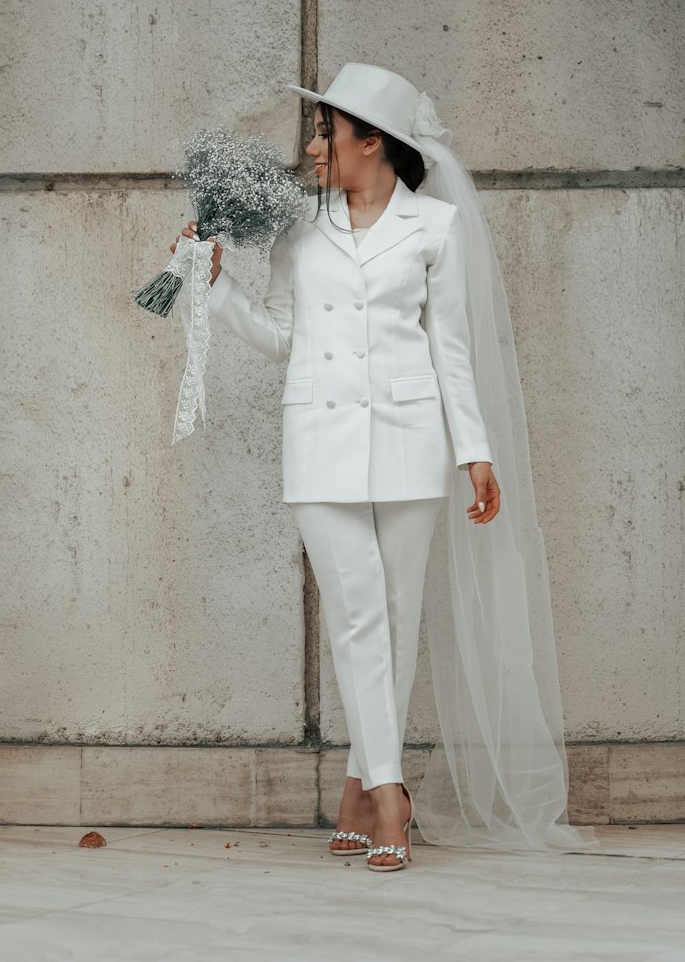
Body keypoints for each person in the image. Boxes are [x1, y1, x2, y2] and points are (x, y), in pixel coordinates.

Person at [170, 64, 598, 868]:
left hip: (410, 442)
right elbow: (283, 336)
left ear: (375, 141)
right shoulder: (300, 227)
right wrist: (220, 289)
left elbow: (453, 351)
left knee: (394, 624)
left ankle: (359, 784)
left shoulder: (434, 229)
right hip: (320, 444)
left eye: (326, 129)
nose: (312, 144)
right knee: (359, 610)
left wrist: (476, 452)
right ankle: (392, 798)